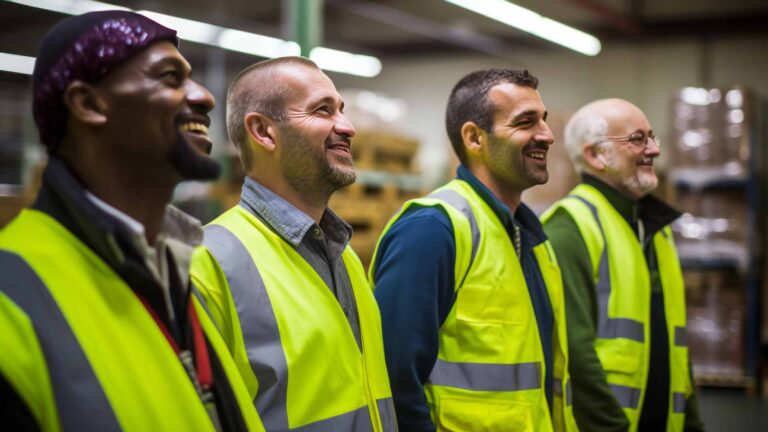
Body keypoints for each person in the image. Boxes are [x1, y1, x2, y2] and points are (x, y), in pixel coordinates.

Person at [0, 11, 263, 431]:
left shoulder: (179, 263)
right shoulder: (13, 294)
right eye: (170, 77)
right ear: (88, 104)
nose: (205, 97)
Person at [190, 56, 395, 431]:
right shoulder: (211, 262)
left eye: (342, 111)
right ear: (264, 132)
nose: (347, 127)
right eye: (323, 110)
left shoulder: (344, 255)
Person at [369, 69, 577, 431]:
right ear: (474, 138)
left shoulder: (532, 239)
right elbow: (394, 376)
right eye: (526, 122)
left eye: (543, 120)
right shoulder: (432, 230)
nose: (546, 134)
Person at [541, 98, 704, 431]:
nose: (655, 149)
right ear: (595, 155)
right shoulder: (570, 227)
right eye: (637, 139)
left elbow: (676, 344)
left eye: (652, 136)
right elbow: (575, 352)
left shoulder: (653, 229)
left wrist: (692, 421)